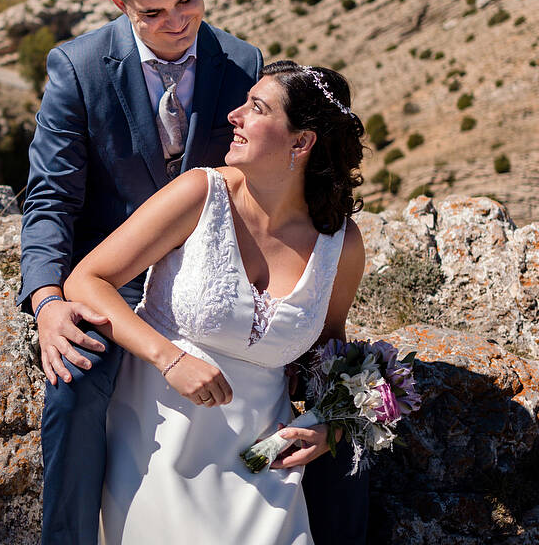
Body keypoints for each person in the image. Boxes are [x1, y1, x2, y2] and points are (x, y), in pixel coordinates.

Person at [19, 0, 263, 545]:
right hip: (110, 281)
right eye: (153, 12)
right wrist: (47, 301)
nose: (178, 21)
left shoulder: (243, 63)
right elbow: (50, 200)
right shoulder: (77, 69)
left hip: (209, 282)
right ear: (119, 3)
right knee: (72, 398)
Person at [64, 62, 367, 545]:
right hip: (158, 440)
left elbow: (328, 345)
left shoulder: (341, 245)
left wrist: (331, 423)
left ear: (300, 142)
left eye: (257, 108)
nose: (234, 115)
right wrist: (171, 358)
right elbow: (88, 280)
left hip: (264, 465)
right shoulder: (200, 194)